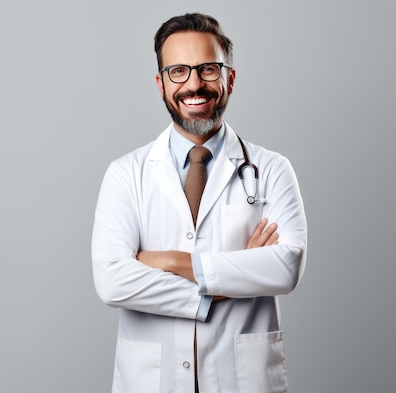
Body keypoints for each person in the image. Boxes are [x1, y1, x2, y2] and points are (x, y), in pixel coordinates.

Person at [91, 12, 307, 393]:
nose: (193, 84)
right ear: (160, 84)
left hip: (244, 379)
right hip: (152, 380)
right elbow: (112, 282)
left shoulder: (271, 168)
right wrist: (233, 279)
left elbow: (286, 267)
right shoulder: (126, 173)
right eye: (178, 71)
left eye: (208, 69)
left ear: (230, 79)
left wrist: (173, 262)